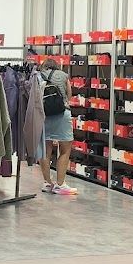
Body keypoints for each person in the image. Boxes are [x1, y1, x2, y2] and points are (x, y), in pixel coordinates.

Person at [38, 59, 75, 195]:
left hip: (44, 116)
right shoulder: (63, 75)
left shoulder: (38, 76)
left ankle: (47, 182)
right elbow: (69, 95)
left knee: (45, 150)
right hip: (62, 114)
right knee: (65, 149)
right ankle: (60, 184)